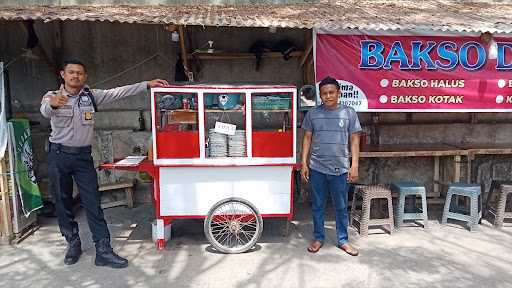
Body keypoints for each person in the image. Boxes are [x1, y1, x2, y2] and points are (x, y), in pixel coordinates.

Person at [40, 59, 168, 268]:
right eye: (71, 72)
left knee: (93, 203)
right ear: (63, 74)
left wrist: (146, 84)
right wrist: (53, 104)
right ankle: (73, 243)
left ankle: (103, 249)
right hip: (59, 156)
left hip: (83, 157)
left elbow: (118, 92)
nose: (75, 76)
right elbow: (46, 110)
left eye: (79, 73)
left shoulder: (91, 96)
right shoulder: (52, 96)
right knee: (63, 203)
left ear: (85, 77)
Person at [301, 76, 361, 256]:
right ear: (320, 95)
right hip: (317, 167)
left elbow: (355, 139)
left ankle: (343, 240)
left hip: (341, 168)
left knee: (341, 206)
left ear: (338, 93)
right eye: (324, 93)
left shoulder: (349, 113)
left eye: (331, 93)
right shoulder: (313, 114)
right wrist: (304, 163)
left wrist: (354, 165)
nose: (328, 96)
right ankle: (319, 238)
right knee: (317, 205)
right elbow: (307, 138)